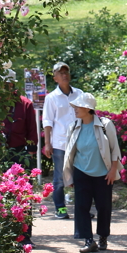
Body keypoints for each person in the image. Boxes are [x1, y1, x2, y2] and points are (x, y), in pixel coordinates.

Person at [63, 92, 122, 253]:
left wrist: (112, 170)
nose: (75, 109)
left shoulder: (105, 124)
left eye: (78, 106)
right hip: (81, 171)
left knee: (104, 207)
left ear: (88, 108)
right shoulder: (73, 127)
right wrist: (70, 175)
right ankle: (88, 240)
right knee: (81, 206)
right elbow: (70, 152)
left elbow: (114, 150)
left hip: (103, 174)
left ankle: (103, 237)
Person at [1, 68, 38, 242]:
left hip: (20, 154)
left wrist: (29, 156)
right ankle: (3, 234)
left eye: (9, 85)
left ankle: (25, 236)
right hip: (0, 154)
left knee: (23, 194)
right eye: (3, 85)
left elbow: (32, 133)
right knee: (0, 194)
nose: (6, 88)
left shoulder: (25, 104)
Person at [41, 62, 80, 220]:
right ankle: (60, 208)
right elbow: (48, 121)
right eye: (61, 72)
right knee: (59, 178)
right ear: (55, 77)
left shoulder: (79, 94)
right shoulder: (51, 98)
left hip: (79, 142)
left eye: (66, 72)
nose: (64, 75)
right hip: (60, 143)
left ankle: (82, 208)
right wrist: (47, 143)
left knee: (81, 176)